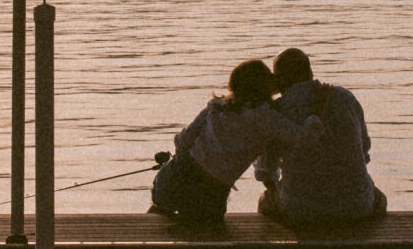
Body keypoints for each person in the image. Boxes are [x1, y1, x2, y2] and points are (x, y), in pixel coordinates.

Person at [150, 59, 324, 225]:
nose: (275, 78)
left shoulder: (217, 105)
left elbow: (182, 141)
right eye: (269, 76)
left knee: (162, 212)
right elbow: (304, 137)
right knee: (205, 230)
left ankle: (150, 229)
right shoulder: (265, 116)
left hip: (174, 178)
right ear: (261, 84)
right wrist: (318, 110)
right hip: (209, 193)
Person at [254, 47, 384, 226]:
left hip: (300, 210)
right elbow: (364, 151)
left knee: (266, 201)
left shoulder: (277, 111)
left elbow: (266, 172)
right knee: (379, 199)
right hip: (356, 206)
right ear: (310, 72)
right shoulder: (345, 98)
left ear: (280, 79)